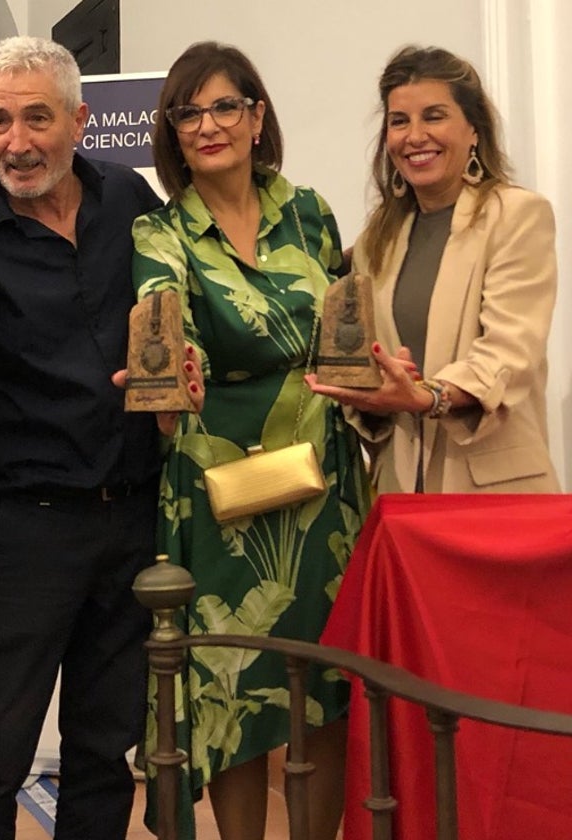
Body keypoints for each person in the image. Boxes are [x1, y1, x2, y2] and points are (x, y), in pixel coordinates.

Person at [0, 35, 175, 840]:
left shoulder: (132, 202)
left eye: (37, 118)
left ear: (81, 120)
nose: (17, 143)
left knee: (104, 744)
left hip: (132, 515)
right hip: (24, 525)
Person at [132, 41, 370, 840]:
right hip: (221, 488)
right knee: (233, 692)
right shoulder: (161, 230)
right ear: (170, 130)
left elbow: (342, 326)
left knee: (324, 688)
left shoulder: (311, 211)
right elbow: (166, 317)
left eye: (225, 106)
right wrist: (176, 375)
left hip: (325, 490)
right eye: (188, 111)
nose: (208, 125)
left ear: (257, 116)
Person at [306, 45, 560, 493]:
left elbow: (508, 354)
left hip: (496, 494)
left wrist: (429, 397)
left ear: (474, 130)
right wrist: (370, 397)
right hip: (401, 492)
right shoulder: (377, 239)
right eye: (399, 121)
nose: (415, 136)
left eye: (434, 116)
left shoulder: (519, 215)